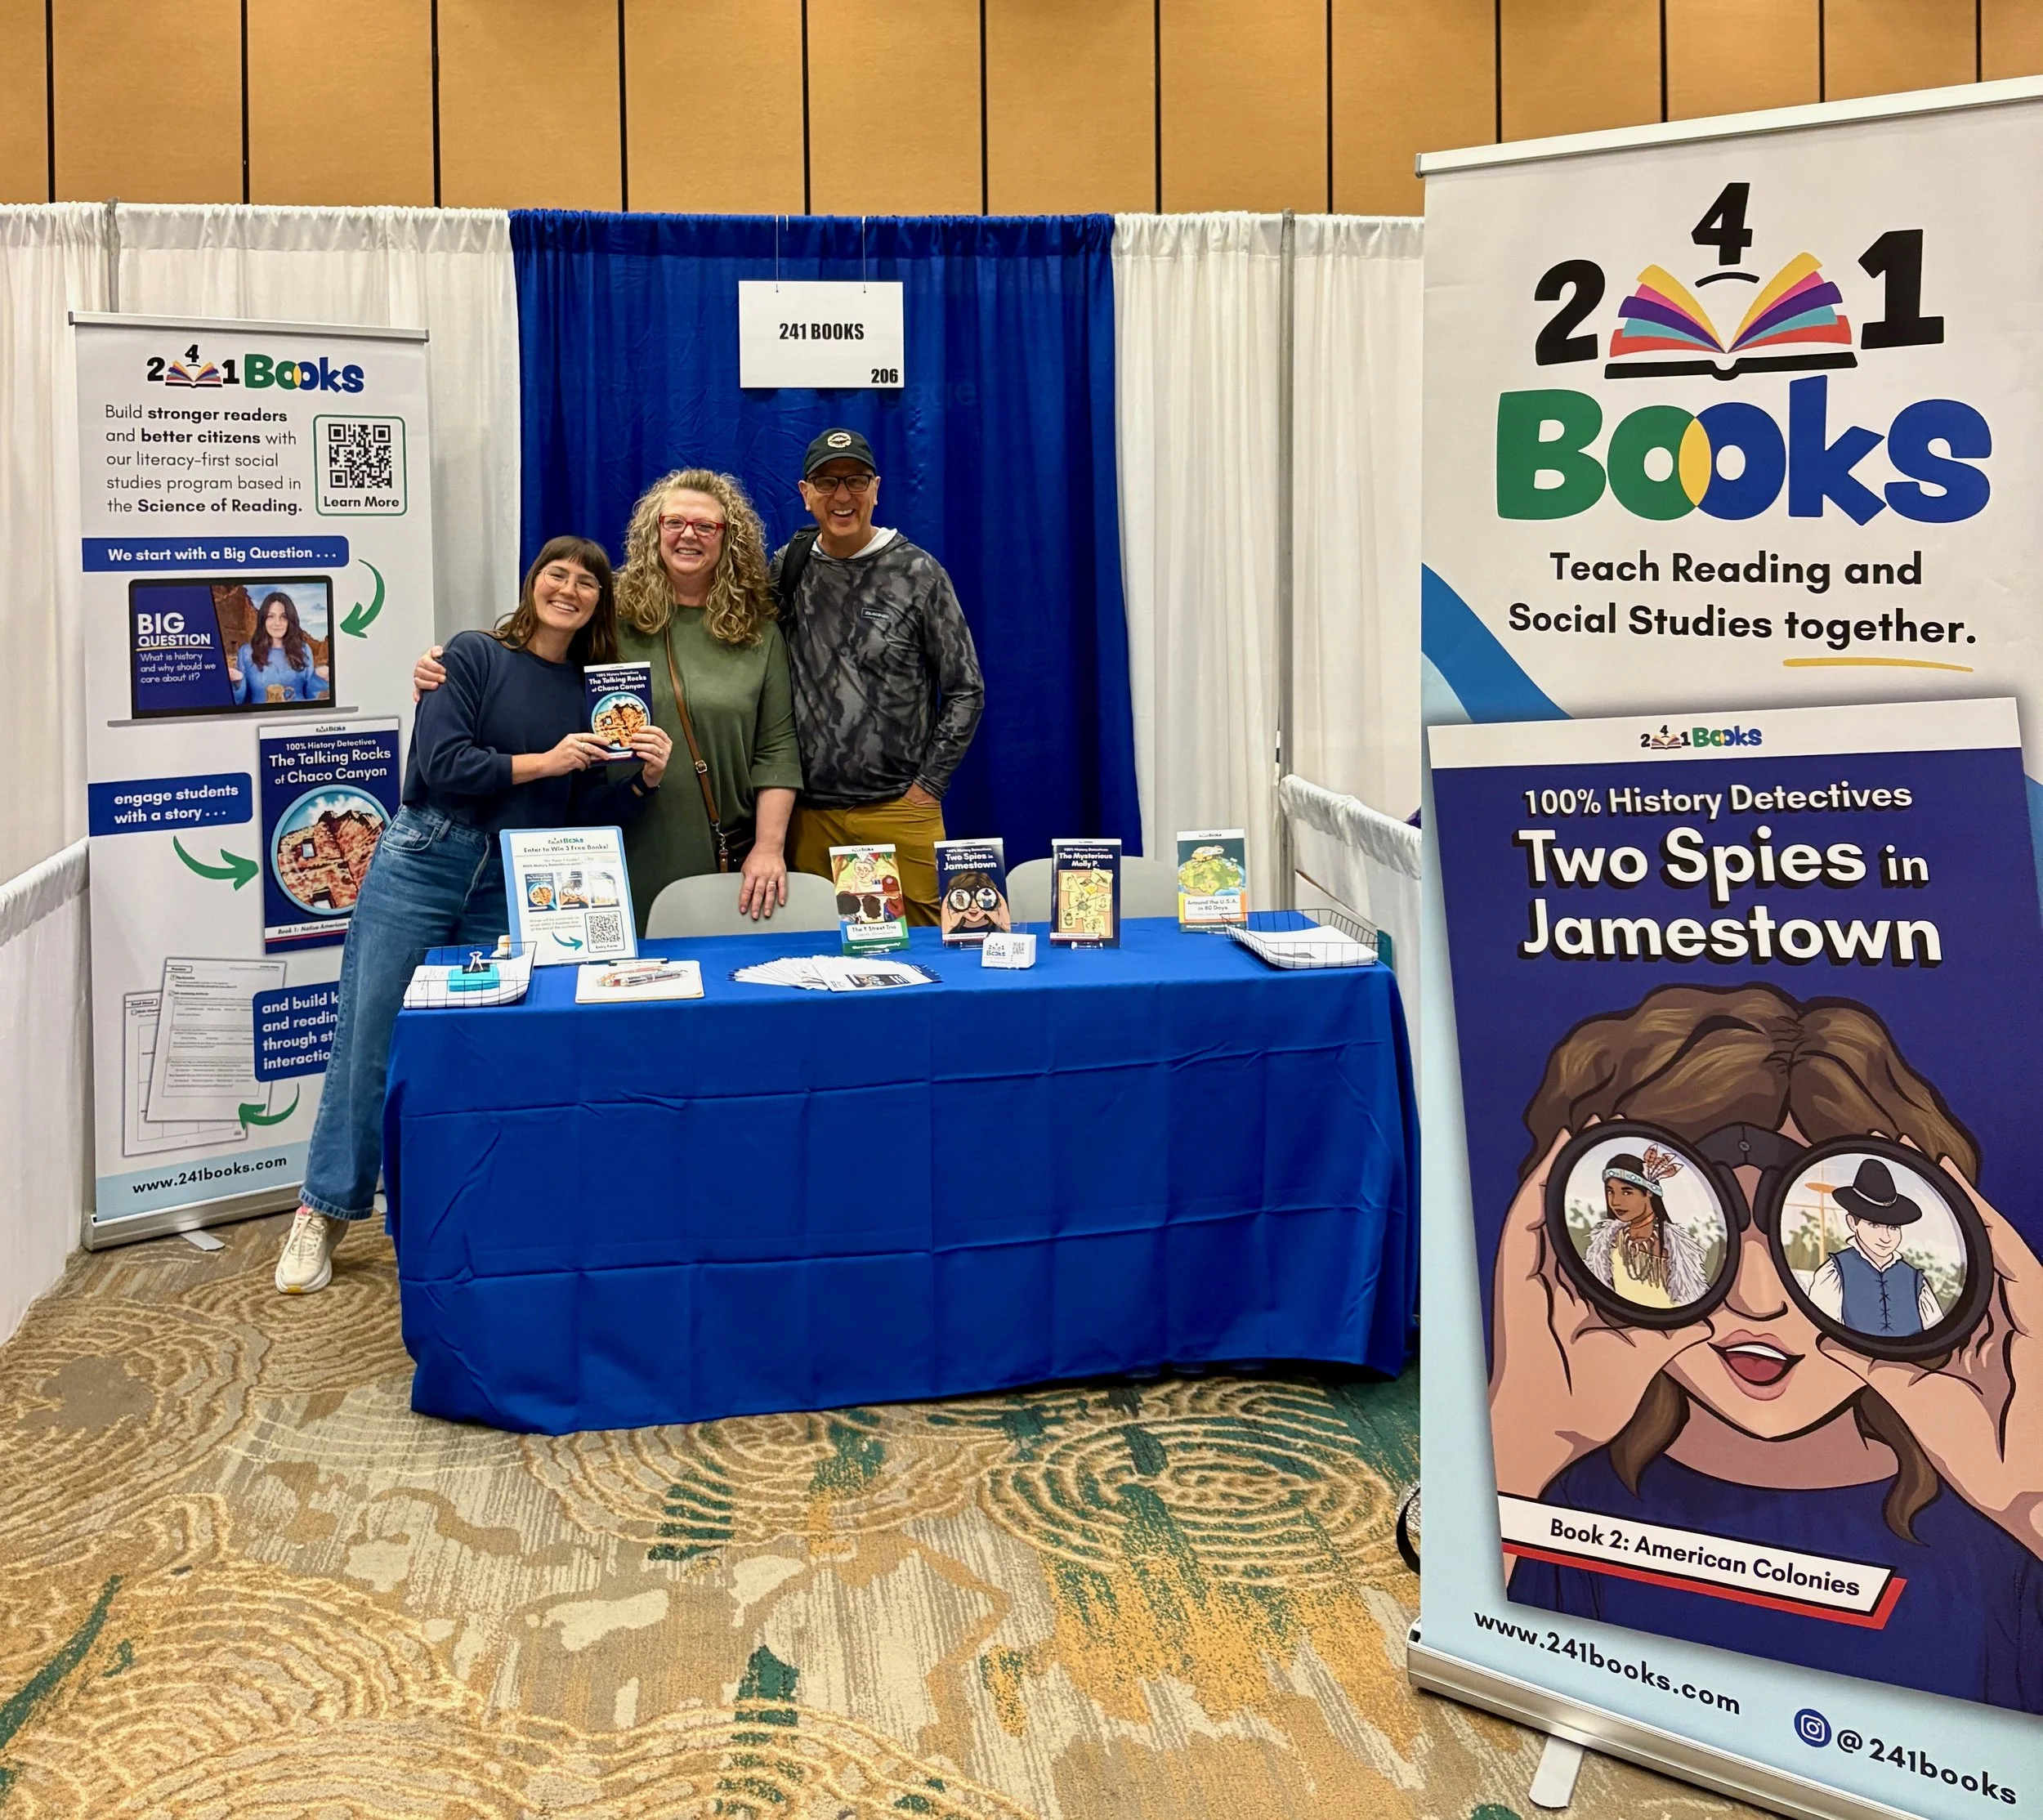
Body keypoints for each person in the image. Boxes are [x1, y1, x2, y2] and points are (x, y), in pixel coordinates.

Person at [1489, 983, 2043, 1711]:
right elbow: (1491, 1700)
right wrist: (1523, 1442)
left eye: (1807, 1244)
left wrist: (2028, 1498)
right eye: (1708, 1227)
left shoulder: (1999, 1534)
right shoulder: (1565, 1499)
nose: (1757, 1299)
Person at [275, 538, 671, 1295]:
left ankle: (455, 1209)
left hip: (513, 877)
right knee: (369, 1039)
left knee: (476, 1048)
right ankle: (321, 1211)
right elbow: (444, 760)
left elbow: (576, 804)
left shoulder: (593, 690)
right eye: (558, 573)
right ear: (533, 582)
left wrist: (645, 780)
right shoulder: (471, 654)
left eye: (588, 582)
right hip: (427, 857)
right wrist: (545, 761)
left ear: (600, 604)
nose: (570, 588)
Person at [414, 470, 802, 932]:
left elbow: (777, 750)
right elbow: (525, 663)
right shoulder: (604, 616)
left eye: (706, 526)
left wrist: (769, 846)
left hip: (714, 844)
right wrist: (440, 667)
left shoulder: (758, 634)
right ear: (654, 530)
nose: (688, 535)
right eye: (674, 522)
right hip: (605, 838)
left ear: (728, 538)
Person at [774, 428, 985, 923]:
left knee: (930, 959)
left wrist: (927, 788)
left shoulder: (917, 572)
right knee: (822, 963)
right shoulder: (788, 568)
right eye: (826, 483)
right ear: (805, 495)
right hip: (809, 819)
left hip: (899, 811)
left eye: (856, 481)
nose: (842, 496)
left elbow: (965, 689)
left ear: (877, 489)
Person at [1806, 1160, 1942, 1336]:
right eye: (1874, 1225)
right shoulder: (1835, 1272)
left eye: (1894, 1228)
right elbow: (1820, 1329)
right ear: (1852, 1223)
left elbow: (1934, 1330)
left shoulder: (1915, 1280)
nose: (1885, 1237)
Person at [1582, 1147, 1710, 1308]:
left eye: (1627, 1192)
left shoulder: (1677, 1249)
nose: (1615, 1202)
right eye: (1610, 1192)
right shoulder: (1605, 1244)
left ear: (1649, 1192)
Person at [230, 589, 329, 704]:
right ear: (263, 620)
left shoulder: (304, 649)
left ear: (290, 620)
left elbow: (309, 696)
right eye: (271, 616)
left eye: (284, 617)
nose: (277, 623)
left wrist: (318, 679)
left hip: (297, 718)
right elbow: (241, 701)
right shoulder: (246, 652)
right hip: (261, 720)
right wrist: (237, 682)